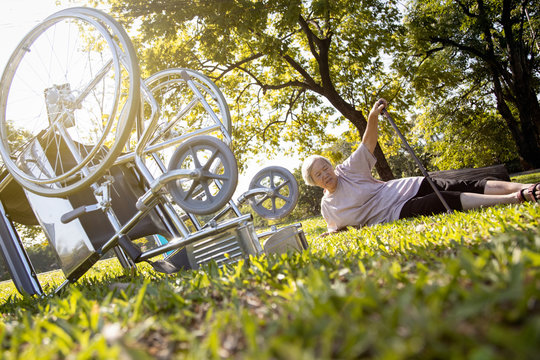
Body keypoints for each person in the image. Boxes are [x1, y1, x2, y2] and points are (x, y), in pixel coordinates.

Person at [301, 98, 540, 234]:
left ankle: (530, 186)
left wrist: (373, 116)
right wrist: (330, 234)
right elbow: (337, 228)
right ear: (313, 182)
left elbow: (367, 144)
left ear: (332, 167)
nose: (325, 174)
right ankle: (520, 197)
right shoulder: (327, 208)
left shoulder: (347, 171)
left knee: (467, 183)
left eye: (326, 168)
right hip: (395, 212)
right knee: (444, 198)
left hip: (406, 187)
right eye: (318, 174)